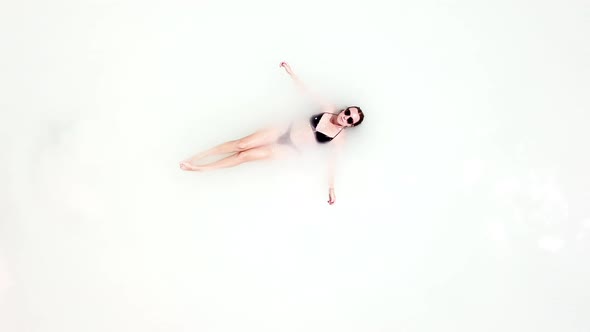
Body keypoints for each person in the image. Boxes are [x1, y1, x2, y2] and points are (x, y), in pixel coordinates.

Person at [179, 62, 365, 205]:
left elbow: (333, 163)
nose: (346, 117)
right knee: (240, 144)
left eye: (350, 120)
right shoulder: (329, 108)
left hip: (290, 150)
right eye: (348, 112)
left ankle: (201, 169)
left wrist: (331, 188)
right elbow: (308, 92)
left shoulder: (340, 138)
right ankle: (199, 156)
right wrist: (292, 73)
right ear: (345, 109)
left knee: (245, 155)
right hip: (284, 130)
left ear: (350, 126)